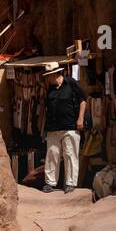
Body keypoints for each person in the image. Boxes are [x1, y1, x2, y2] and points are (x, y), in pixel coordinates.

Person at [41, 63, 86, 193]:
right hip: (53, 127)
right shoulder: (50, 88)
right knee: (52, 154)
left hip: (70, 126)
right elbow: (46, 107)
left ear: (55, 74)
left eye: (49, 76)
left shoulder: (71, 83)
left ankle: (70, 183)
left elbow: (83, 100)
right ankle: (50, 183)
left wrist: (80, 119)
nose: (47, 78)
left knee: (70, 154)